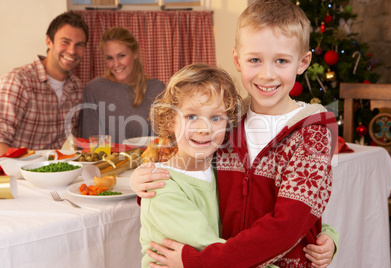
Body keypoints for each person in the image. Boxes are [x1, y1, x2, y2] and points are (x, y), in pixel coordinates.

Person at [131, 0, 339, 267]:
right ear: (237, 60)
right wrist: (145, 182)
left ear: (303, 62)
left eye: (281, 61)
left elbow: (290, 224)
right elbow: (193, 170)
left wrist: (200, 261)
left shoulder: (312, 136)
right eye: (255, 59)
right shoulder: (227, 120)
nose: (267, 74)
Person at [140, 63, 246, 267]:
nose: (204, 128)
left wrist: (326, 234)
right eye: (191, 116)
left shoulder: (223, 170)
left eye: (216, 118)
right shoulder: (161, 188)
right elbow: (212, 249)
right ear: (171, 121)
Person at [0, 11, 89, 155]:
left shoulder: (77, 88)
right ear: (49, 41)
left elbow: (81, 137)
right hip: (15, 174)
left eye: (79, 45)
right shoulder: (18, 81)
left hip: (53, 172)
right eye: (65, 42)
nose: (72, 51)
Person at [79, 26, 165, 144]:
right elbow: (88, 144)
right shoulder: (94, 89)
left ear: (134, 53)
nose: (116, 64)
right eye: (109, 58)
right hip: (104, 162)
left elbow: (159, 144)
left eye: (121, 56)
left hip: (145, 162)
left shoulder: (157, 89)